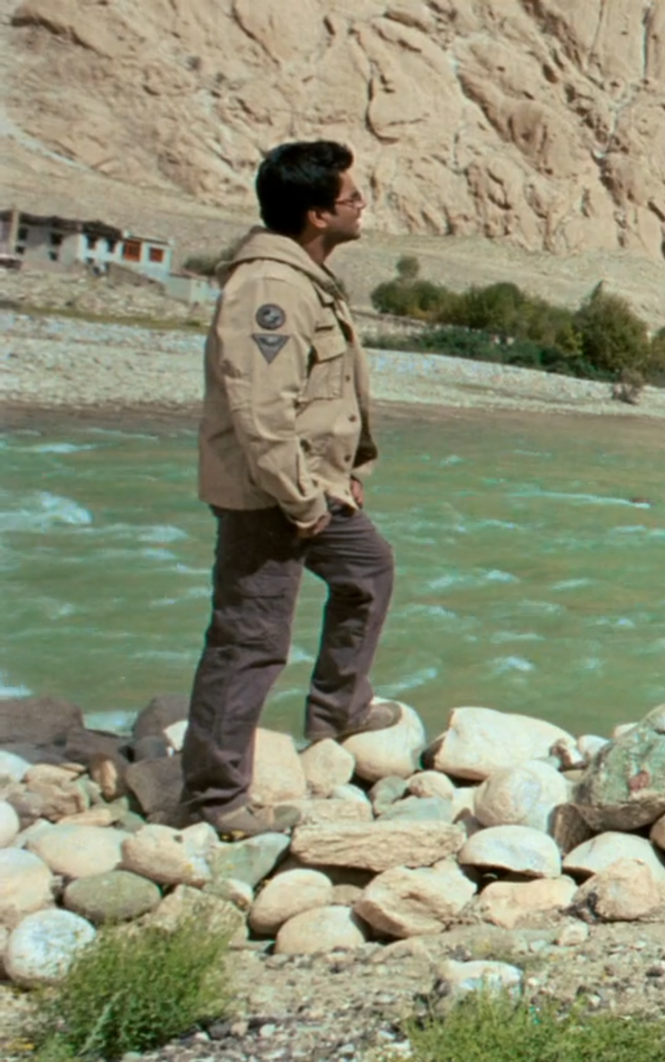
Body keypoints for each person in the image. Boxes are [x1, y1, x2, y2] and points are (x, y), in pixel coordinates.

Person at [183, 140, 400, 838]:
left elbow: (320, 397)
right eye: (350, 197)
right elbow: (261, 412)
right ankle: (213, 797)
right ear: (316, 214)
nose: (361, 206)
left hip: (313, 486)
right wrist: (303, 500)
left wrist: (343, 475)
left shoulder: (306, 277)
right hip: (271, 495)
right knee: (249, 638)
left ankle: (339, 711)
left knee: (368, 571)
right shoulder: (270, 288)